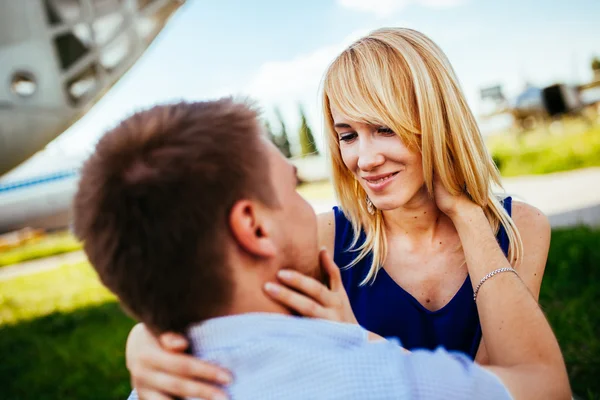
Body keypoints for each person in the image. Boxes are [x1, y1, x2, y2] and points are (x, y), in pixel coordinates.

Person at [125, 28, 559, 398]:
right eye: (348, 135)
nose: (363, 159)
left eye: (384, 129)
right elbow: (216, 309)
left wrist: (466, 216)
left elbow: (510, 384)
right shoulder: (324, 237)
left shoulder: (520, 227)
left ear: (437, 121)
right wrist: (144, 340)